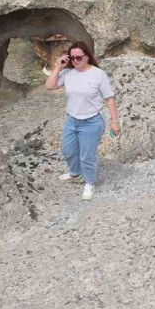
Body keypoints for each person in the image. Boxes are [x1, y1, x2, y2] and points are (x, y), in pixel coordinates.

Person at [44, 41, 120, 201]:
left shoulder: (98, 74)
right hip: (72, 120)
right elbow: (49, 86)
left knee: (87, 156)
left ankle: (89, 183)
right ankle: (76, 174)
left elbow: (110, 99)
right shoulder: (67, 73)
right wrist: (59, 67)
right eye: (72, 58)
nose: (75, 61)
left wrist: (115, 122)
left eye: (79, 57)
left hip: (91, 122)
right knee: (68, 150)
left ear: (87, 57)